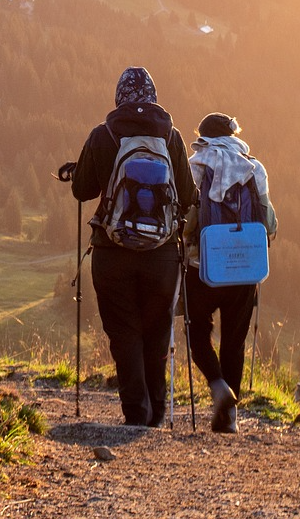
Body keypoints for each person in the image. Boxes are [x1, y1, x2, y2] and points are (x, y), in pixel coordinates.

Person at [71, 67, 196, 427]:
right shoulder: (171, 138)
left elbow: (82, 190)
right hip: (161, 256)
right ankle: (156, 413)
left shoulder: (104, 134)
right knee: (157, 331)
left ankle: (136, 412)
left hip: (112, 253)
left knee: (124, 332)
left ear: (119, 98)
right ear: (153, 98)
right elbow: (187, 197)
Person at [184, 112, 278, 433]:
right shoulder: (254, 167)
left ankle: (217, 385)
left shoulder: (194, 165)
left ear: (204, 135)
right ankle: (230, 420)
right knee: (234, 343)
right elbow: (269, 224)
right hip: (245, 268)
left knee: (197, 332)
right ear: (233, 134)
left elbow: (184, 220)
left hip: (203, 268)